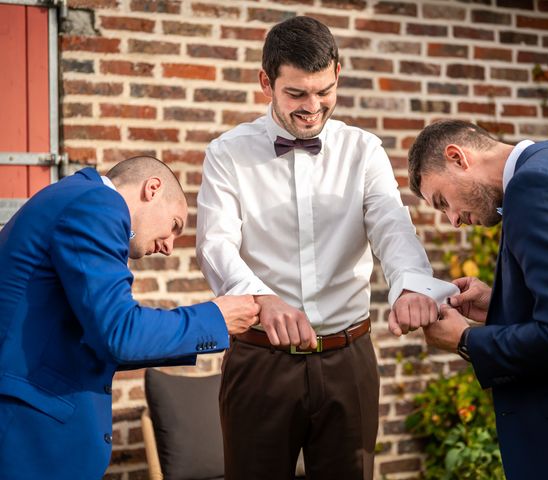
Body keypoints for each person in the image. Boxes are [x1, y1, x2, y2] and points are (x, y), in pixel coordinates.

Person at [196, 15, 457, 480]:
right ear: (266, 82)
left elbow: (393, 228)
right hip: (259, 361)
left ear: (337, 72)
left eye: (324, 91)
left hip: (348, 359)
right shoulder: (227, 153)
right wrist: (261, 298)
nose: (312, 107)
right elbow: (216, 244)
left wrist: (412, 285)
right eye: (296, 94)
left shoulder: (365, 150)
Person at [0, 156, 260, 480]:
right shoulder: (97, 204)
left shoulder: (74, 197)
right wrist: (216, 318)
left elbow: (100, 339)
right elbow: (121, 333)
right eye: (174, 226)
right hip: (29, 439)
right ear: (152, 189)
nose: (168, 247)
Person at [408, 119, 548, 480]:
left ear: (457, 158)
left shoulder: (534, 188)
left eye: (443, 201)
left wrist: (466, 340)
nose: (453, 220)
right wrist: (498, 304)